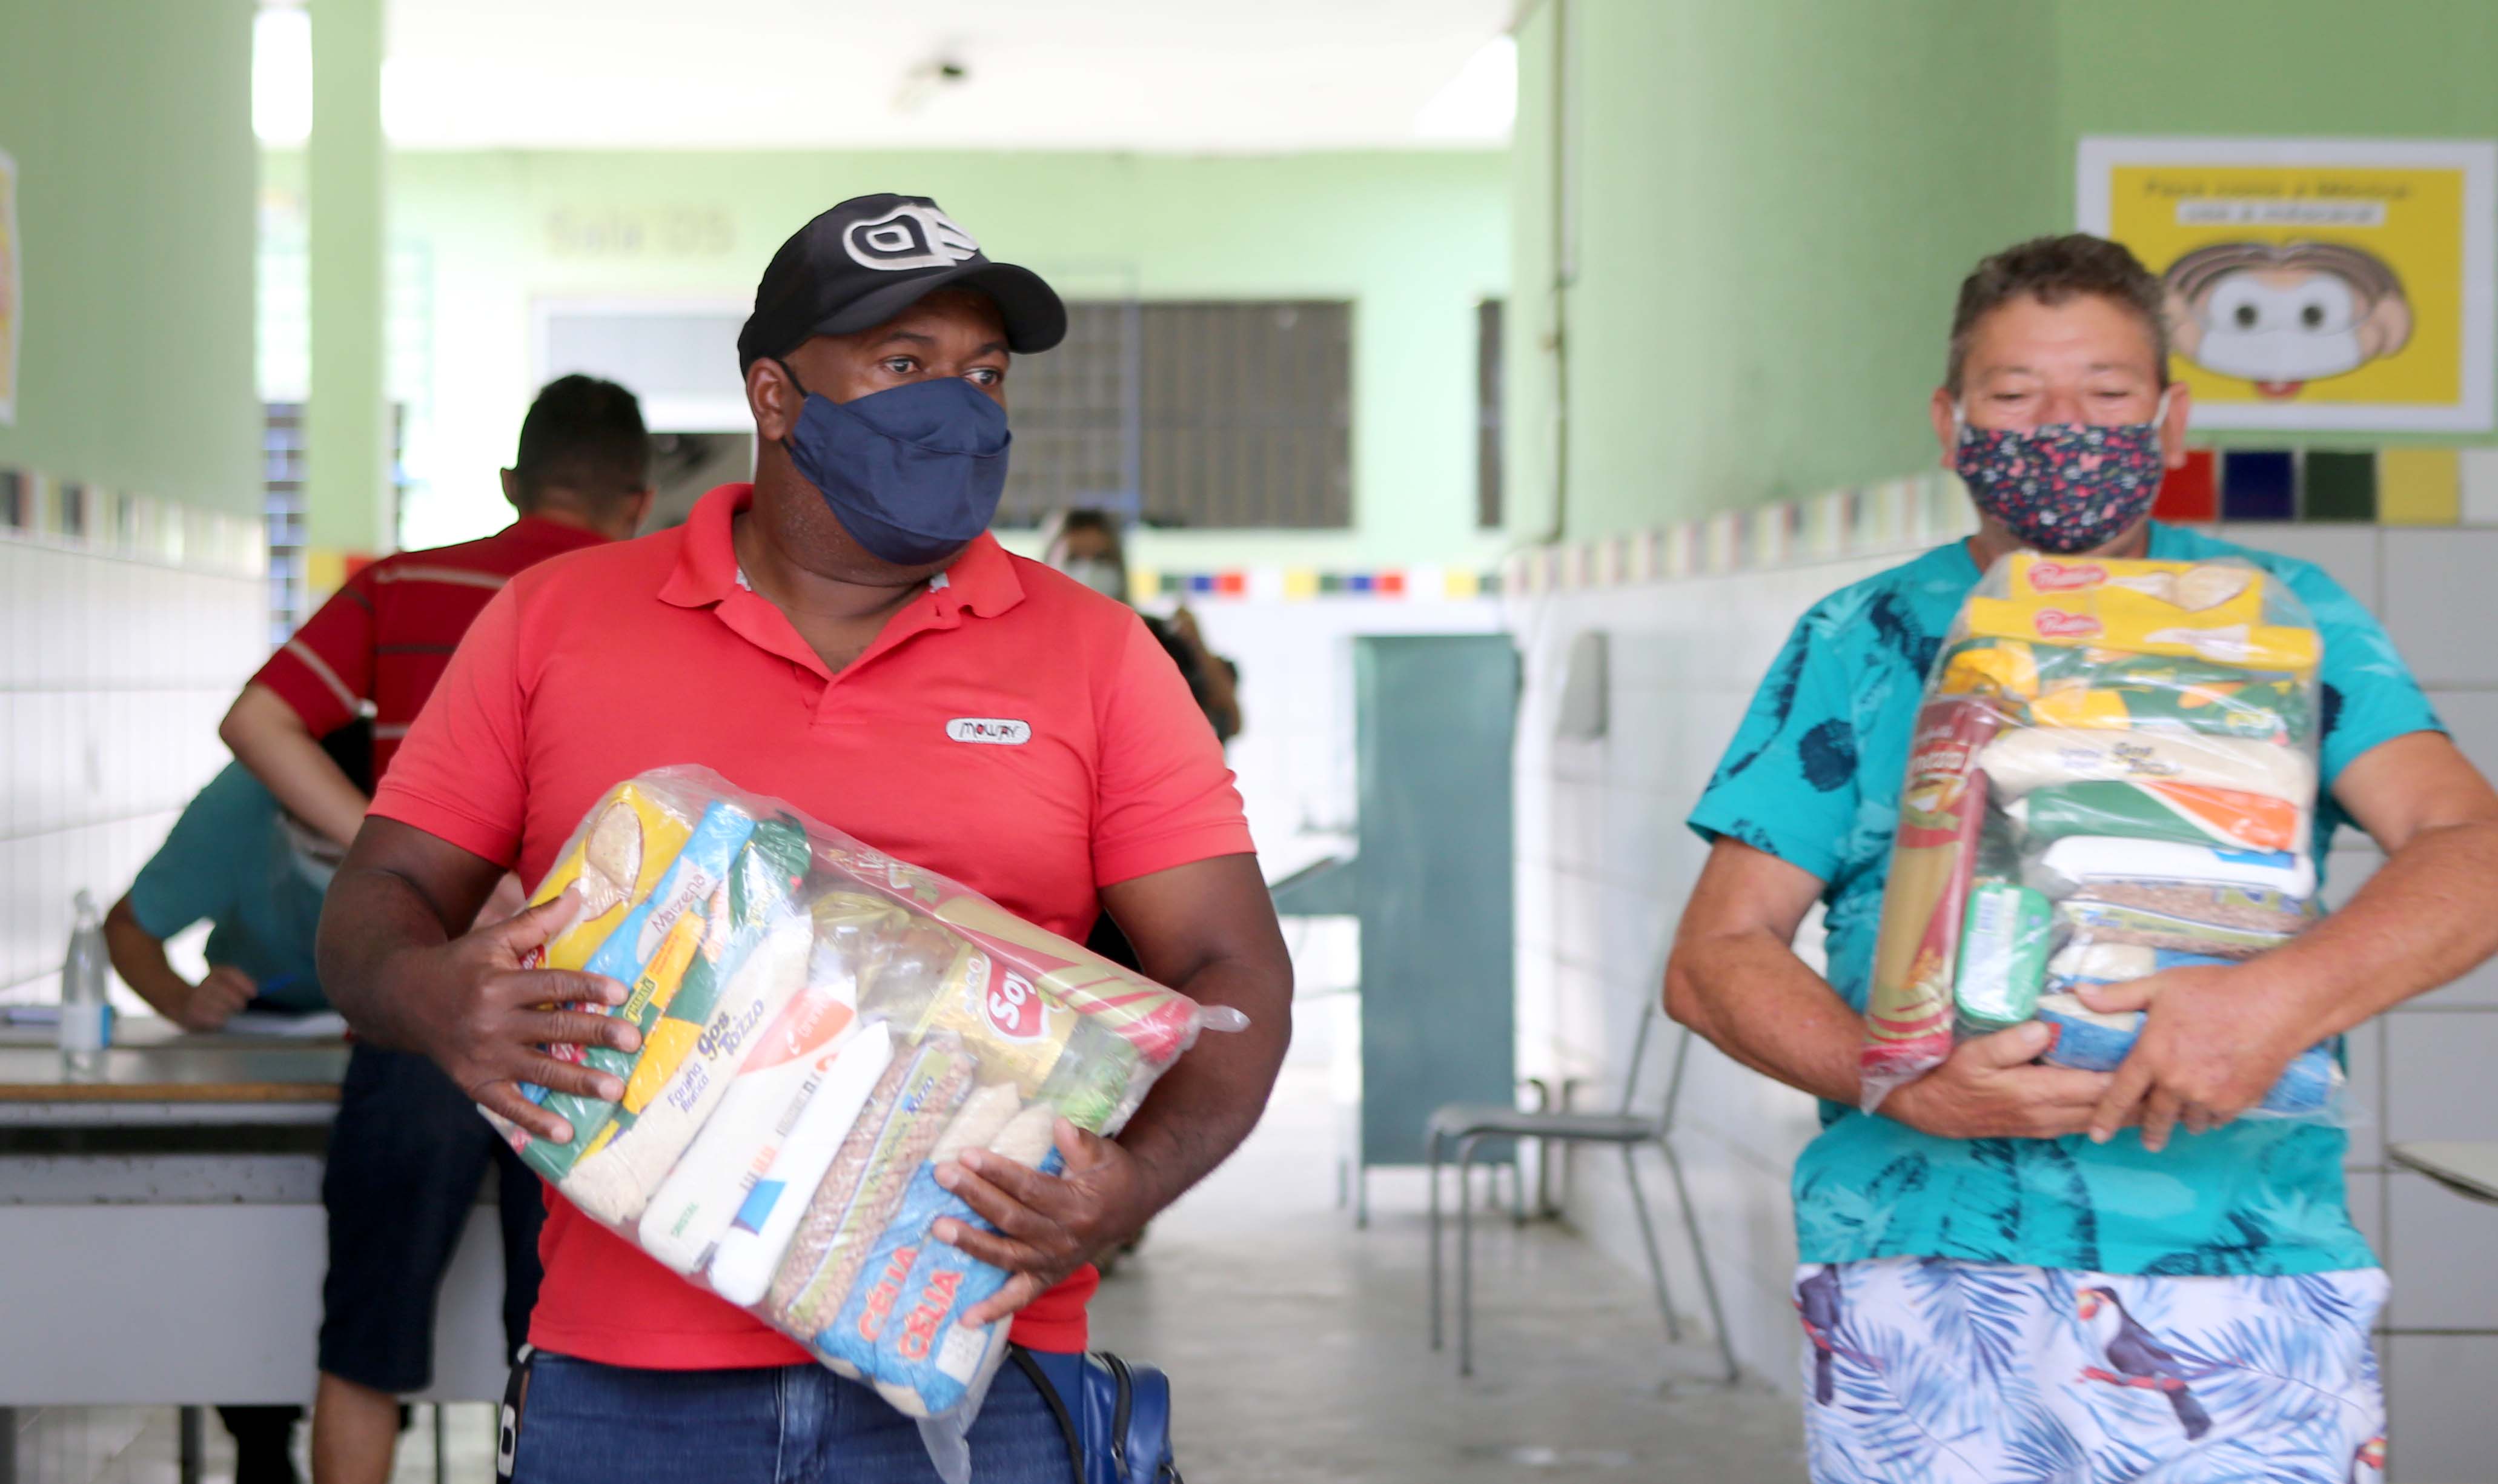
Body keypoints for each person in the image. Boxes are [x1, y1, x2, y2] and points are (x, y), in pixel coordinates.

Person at [313, 194, 1293, 1484]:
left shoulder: (1096, 656)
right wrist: (429, 993)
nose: (957, 403)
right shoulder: (555, 623)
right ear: (775, 396)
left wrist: (1127, 1183)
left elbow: (1237, 974)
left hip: (987, 1380)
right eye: (903, 366)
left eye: (983, 374)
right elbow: (380, 892)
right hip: (627, 1388)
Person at [1667, 233, 2498, 1481]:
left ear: (2167, 420)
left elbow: (2469, 844)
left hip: (2236, 1250)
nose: (2062, 427)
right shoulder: (1859, 637)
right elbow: (1715, 954)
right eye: (2014, 396)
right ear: (1951, 422)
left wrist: (2271, 1002)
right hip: (1921, 1259)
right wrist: (1896, 1077)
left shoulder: (2279, 614)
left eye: (2106, 395)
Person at [219, 374, 654, 1484]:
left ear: (512, 482)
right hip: (591, 1027)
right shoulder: (640, 599)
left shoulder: (403, 587)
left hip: (417, 1001)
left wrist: (387, 841)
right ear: (640, 502)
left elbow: (257, 719)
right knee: (565, 1355)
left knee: (363, 1351)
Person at [99, 720, 369, 1484]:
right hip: (265, 1037)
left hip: (391, 1045)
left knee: (374, 1249)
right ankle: (258, 1431)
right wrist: (185, 1001)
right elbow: (129, 927)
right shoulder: (241, 804)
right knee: (248, 1247)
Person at [1041, 508, 1242, 744]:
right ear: (1048, 563)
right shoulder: (1027, 645)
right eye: (1074, 559)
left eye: (1101, 559)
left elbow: (1229, 720)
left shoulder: (1155, 636)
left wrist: (1197, 646)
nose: (1089, 570)